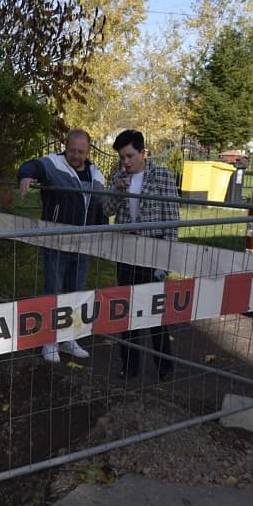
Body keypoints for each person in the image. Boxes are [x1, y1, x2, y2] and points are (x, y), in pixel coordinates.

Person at [18, 128, 106, 363]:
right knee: (53, 292)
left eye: (80, 151)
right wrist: (25, 176)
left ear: (88, 151)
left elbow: (101, 205)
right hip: (56, 242)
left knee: (75, 293)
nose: (76, 155)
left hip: (83, 245)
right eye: (72, 150)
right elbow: (31, 166)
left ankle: (69, 338)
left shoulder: (96, 174)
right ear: (65, 147)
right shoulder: (54, 164)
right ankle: (49, 341)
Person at [105, 129, 179, 380]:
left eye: (129, 156)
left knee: (154, 311)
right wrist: (117, 190)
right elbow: (107, 209)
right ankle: (129, 366)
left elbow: (172, 219)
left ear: (143, 153)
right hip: (126, 251)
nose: (125, 162)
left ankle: (164, 367)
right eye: (121, 157)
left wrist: (166, 261)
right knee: (126, 310)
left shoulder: (162, 176)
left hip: (153, 250)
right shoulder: (119, 177)